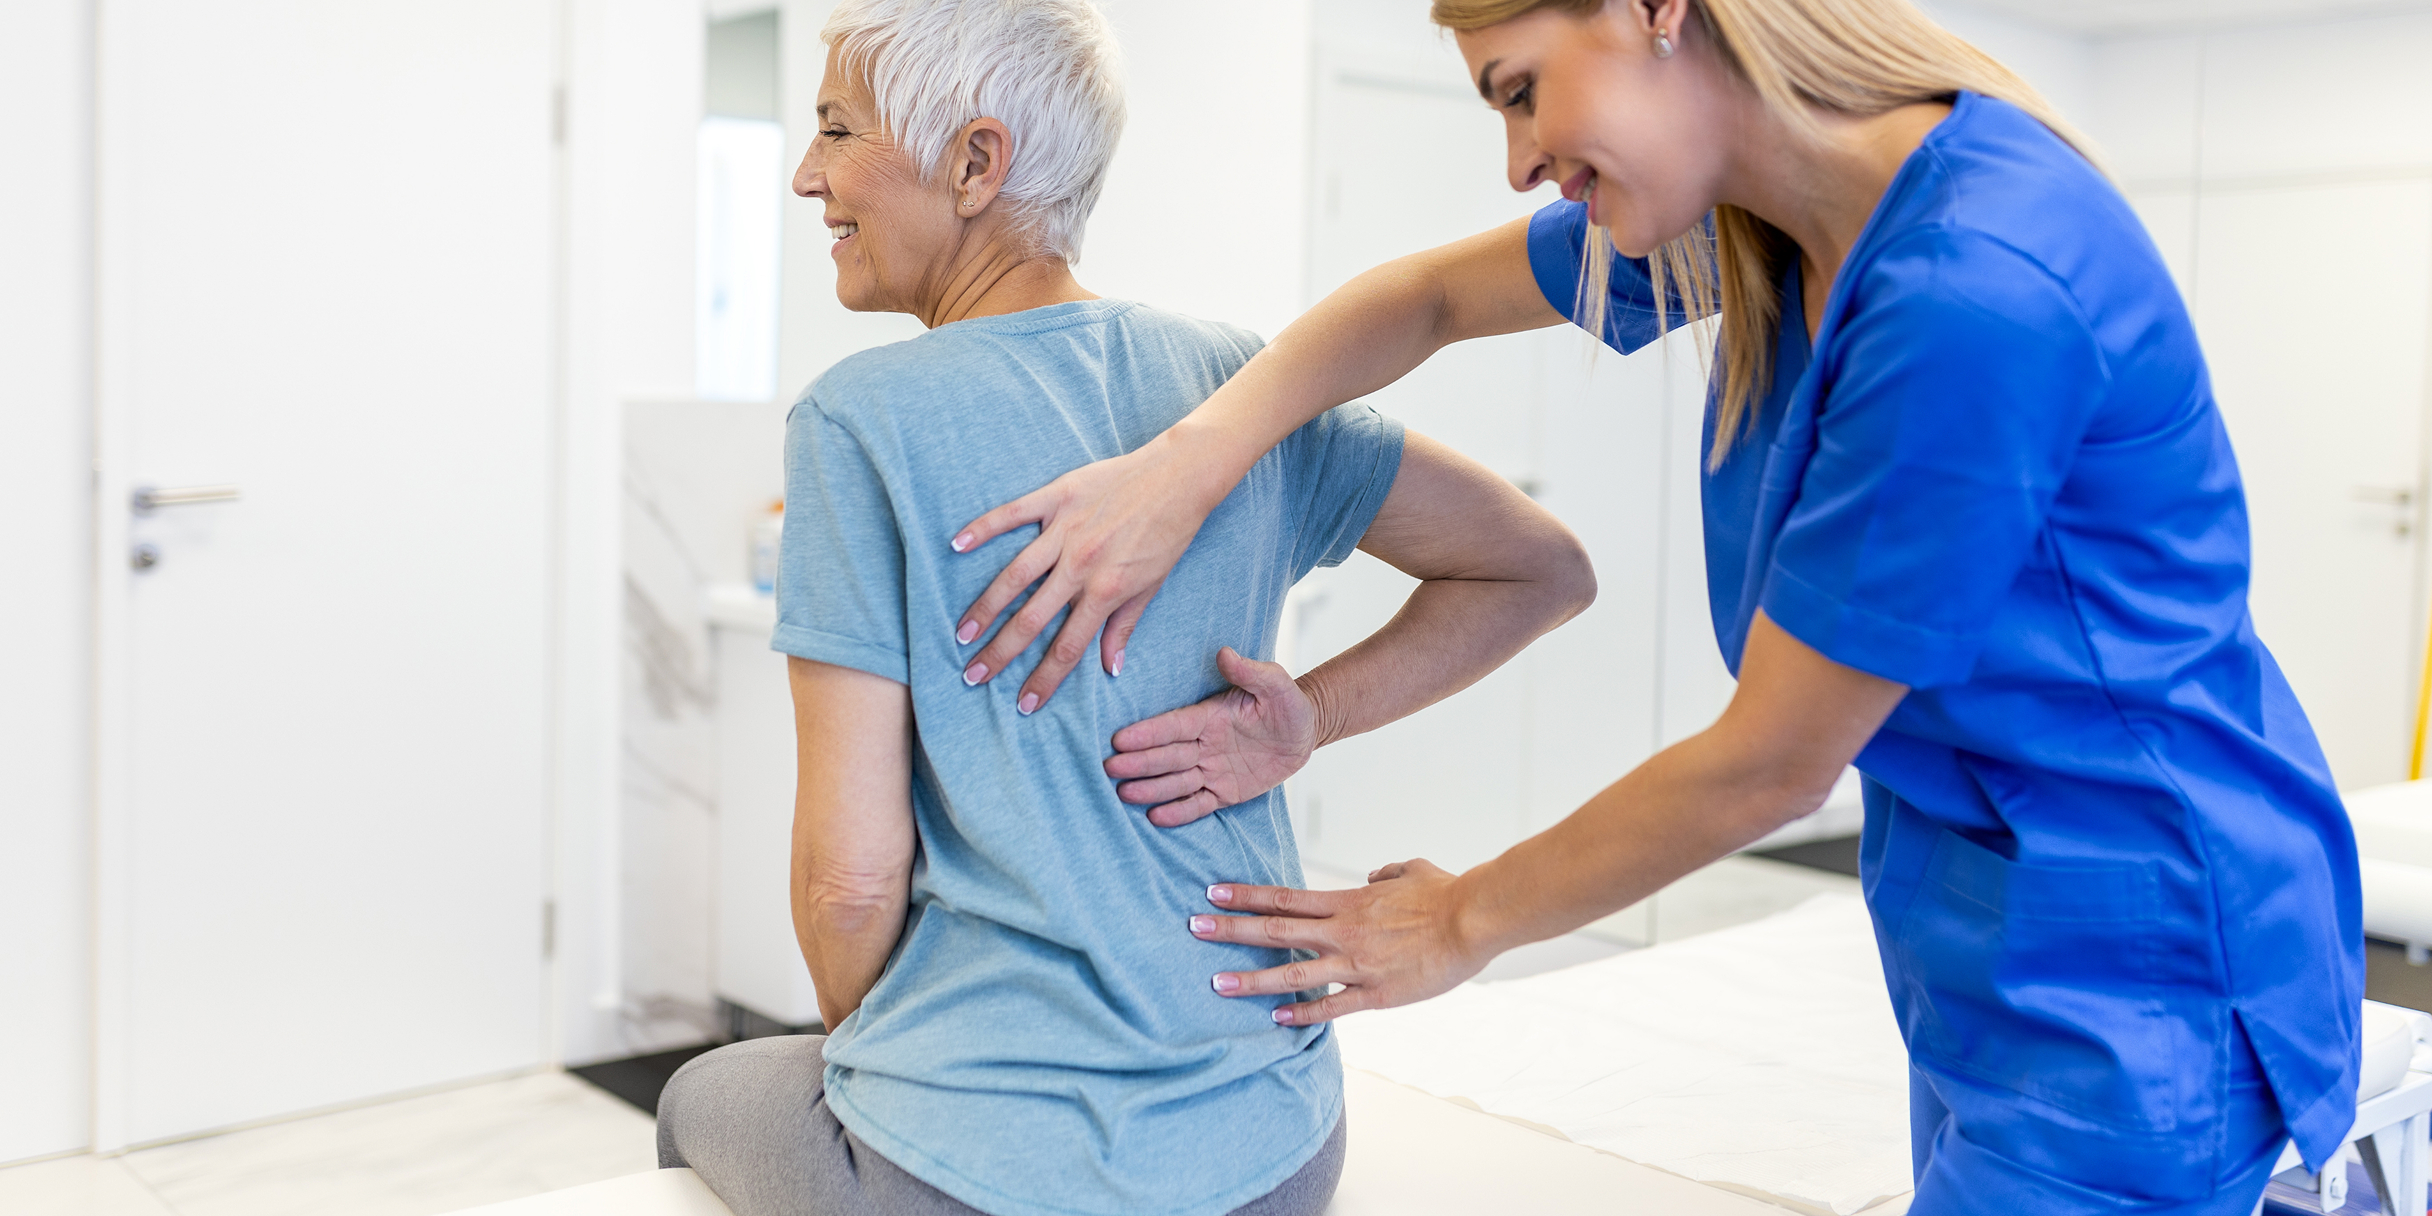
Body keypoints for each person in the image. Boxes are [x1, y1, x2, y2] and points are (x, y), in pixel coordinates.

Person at [943, 1, 2363, 1211]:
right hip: (1980, 919)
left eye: (1521, 91)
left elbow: (1770, 764)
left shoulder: (1971, 291)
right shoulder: (1763, 225)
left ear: (1655, 11)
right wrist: (1189, 466)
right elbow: (1425, 298)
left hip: (2140, 961)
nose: (1515, 162)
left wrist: (1457, 922)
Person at [651, 3, 1595, 1215]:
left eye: (836, 131)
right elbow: (1539, 569)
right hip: (1275, 1152)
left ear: (975, 163)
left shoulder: (856, 420)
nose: (803, 175)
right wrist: (1310, 714)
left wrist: (895, 1065)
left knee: (696, 1094)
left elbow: (848, 882)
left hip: (961, 1176)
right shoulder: (1240, 387)